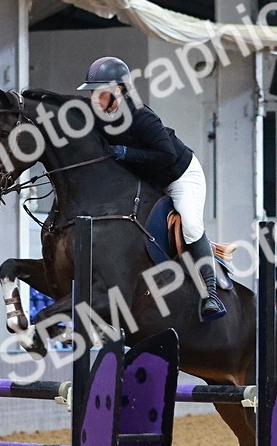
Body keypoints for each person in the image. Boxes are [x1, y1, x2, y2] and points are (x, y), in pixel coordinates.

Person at [78, 56, 225, 322]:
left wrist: (127, 153)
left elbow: (166, 155)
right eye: (93, 92)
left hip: (180, 175)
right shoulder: (100, 117)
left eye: (99, 93)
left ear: (118, 91)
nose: (94, 99)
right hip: (148, 180)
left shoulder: (141, 117)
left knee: (190, 224)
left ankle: (211, 294)